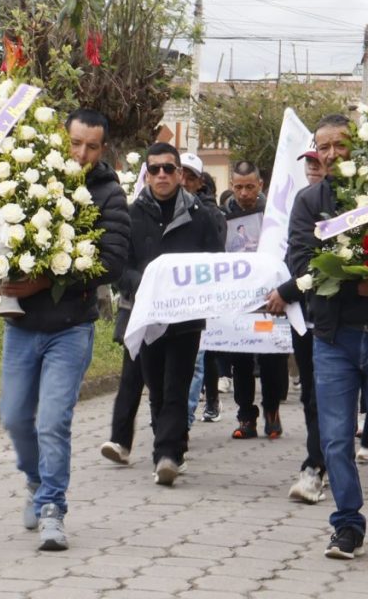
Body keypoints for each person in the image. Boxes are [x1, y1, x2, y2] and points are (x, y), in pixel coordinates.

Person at [0, 108, 130, 551]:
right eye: (75, 143)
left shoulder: (109, 194)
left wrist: (50, 280)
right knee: (15, 416)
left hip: (70, 328)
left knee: (52, 421)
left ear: (102, 150)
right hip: (21, 325)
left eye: (91, 146)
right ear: (63, 140)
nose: (81, 153)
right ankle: (36, 480)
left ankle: (52, 509)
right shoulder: (29, 181)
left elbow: (113, 260)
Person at [287, 113, 368, 559]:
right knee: (336, 439)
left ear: (356, 148)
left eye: (340, 144)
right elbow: (301, 266)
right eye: (323, 146)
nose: (331, 153)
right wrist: (360, 285)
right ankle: (348, 524)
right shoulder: (308, 202)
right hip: (334, 340)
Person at [119, 142, 223, 486]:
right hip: (147, 316)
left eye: (168, 168)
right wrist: (145, 285)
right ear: (146, 175)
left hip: (185, 318)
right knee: (157, 388)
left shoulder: (202, 215)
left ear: (180, 174)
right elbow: (121, 266)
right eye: (154, 169)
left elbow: (213, 263)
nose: (161, 174)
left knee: (177, 385)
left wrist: (188, 291)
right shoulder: (132, 215)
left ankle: (165, 455)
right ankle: (172, 449)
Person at [266, 149, 328, 504]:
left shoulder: (356, 200)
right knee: (312, 394)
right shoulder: (302, 202)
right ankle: (318, 462)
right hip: (305, 314)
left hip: (342, 315)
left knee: (329, 394)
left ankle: (323, 459)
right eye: (311, 163)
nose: (317, 168)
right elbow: (298, 257)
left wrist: (285, 290)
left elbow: (323, 264)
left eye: (322, 162)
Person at [222, 161, 289, 440]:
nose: (244, 193)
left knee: (272, 357)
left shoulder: (274, 215)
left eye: (250, 186)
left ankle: (272, 410)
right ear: (231, 186)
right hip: (238, 302)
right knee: (240, 359)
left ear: (260, 185)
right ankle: (246, 415)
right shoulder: (222, 216)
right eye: (238, 187)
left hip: (269, 301)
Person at [180, 156, 227, 424]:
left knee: (199, 357)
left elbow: (216, 253)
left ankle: (185, 418)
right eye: (181, 175)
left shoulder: (210, 214)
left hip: (198, 295)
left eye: (191, 177)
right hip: (171, 298)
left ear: (199, 182)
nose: (184, 182)